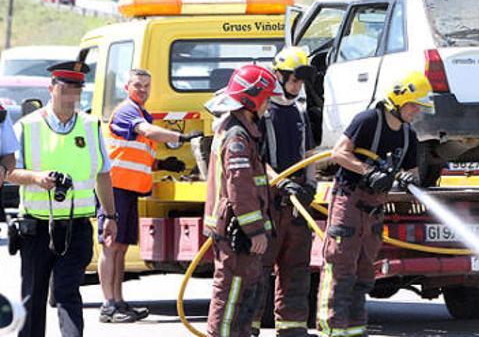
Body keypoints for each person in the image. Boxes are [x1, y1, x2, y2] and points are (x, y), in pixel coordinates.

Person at [316, 71, 432, 337]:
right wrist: (368, 172)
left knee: (365, 272)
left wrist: (405, 179)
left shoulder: (407, 135)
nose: (416, 111)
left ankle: (355, 330)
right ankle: (331, 330)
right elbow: (339, 153)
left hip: (375, 209)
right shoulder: (368, 120)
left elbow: (413, 173)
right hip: (350, 200)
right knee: (340, 268)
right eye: (414, 105)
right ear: (398, 100)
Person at [6, 61, 117, 337]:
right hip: (36, 227)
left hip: (76, 226)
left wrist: (111, 216)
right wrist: (36, 178)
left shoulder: (91, 126)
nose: (72, 95)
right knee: (33, 295)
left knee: (68, 291)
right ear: (52, 88)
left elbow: (103, 174)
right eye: (66, 88)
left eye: (77, 89)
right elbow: (7, 172)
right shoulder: (27, 126)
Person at [97, 68, 203, 323]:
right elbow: (146, 132)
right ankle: (108, 305)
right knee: (111, 246)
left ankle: (118, 302)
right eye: (137, 85)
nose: (142, 90)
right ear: (127, 87)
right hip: (114, 189)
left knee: (120, 248)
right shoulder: (128, 111)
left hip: (128, 189)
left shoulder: (140, 112)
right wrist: (183, 137)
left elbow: (136, 155)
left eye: (146, 85)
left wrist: (163, 165)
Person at [203, 64, 282, 337]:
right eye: (267, 98)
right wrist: (255, 230)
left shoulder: (239, 129)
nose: (268, 105)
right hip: (235, 230)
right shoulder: (237, 135)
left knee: (243, 295)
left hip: (233, 227)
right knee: (232, 296)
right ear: (254, 98)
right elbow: (240, 187)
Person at [250, 47, 319, 336]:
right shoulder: (264, 112)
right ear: (278, 76)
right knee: (259, 270)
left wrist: (311, 185)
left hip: (297, 203)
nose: (297, 87)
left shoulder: (300, 112)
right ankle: (249, 326)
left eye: (301, 83)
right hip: (271, 202)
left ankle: (292, 328)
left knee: (297, 269)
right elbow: (256, 159)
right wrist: (280, 182)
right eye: (294, 81)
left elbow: (310, 152)